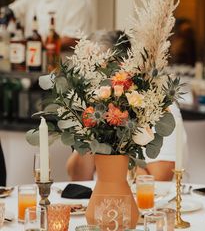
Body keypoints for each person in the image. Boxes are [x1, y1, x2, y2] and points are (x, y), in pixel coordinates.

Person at [66, 30, 187, 181]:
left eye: (98, 69)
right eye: (86, 70)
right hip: (100, 199)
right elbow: (79, 178)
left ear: (123, 67)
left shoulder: (158, 108)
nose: (90, 79)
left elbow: (157, 180)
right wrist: (91, 132)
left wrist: (108, 150)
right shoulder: (95, 106)